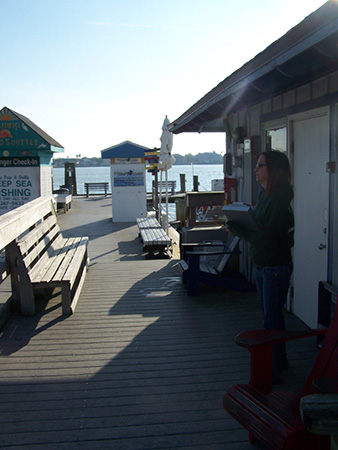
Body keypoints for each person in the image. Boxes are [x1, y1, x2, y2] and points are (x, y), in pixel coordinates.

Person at [226, 150, 294, 383]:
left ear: (272, 170)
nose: (255, 169)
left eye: (260, 165)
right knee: (271, 318)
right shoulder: (266, 195)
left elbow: (267, 239)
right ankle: (280, 361)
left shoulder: (278, 200)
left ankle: (273, 369)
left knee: (271, 321)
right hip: (263, 265)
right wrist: (239, 221)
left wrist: (237, 229)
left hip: (274, 268)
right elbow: (257, 226)